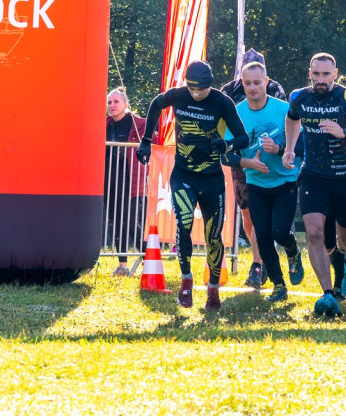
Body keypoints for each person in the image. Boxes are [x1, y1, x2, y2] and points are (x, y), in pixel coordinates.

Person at [137, 61, 249, 310]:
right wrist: (146, 140)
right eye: (193, 90)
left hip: (212, 179)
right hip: (183, 175)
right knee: (184, 223)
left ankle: (213, 289)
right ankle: (186, 281)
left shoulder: (222, 102)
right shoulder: (178, 95)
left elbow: (243, 136)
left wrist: (226, 144)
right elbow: (157, 104)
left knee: (213, 236)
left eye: (202, 91)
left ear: (210, 85)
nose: (197, 95)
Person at [283, 53, 346, 317]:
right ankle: (327, 294)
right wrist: (290, 148)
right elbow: (291, 118)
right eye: (316, 74)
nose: (321, 79)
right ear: (309, 73)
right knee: (314, 233)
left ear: (335, 74)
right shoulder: (300, 97)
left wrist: (345, 132)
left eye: (326, 74)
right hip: (313, 175)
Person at [222, 61, 302, 303]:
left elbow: (301, 147)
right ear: (242, 84)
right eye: (248, 83)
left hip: (285, 180)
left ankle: (292, 249)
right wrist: (248, 164)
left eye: (257, 83)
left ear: (266, 82)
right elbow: (227, 153)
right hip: (256, 182)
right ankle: (279, 285)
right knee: (262, 235)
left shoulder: (285, 109)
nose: (253, 88)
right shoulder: (237, 113)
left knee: (279, 231)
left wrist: (279, 149)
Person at [105, 88, 153, 275]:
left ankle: (149, 258)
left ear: (126, 104)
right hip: (108, 178)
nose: (112, 106)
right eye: (109, 102)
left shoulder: (139, 124)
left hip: (129, 179)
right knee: (115, 220)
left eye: (116, 102)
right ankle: (122, 265)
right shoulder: (105, 124)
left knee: (131, 221)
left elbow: (154, 143)